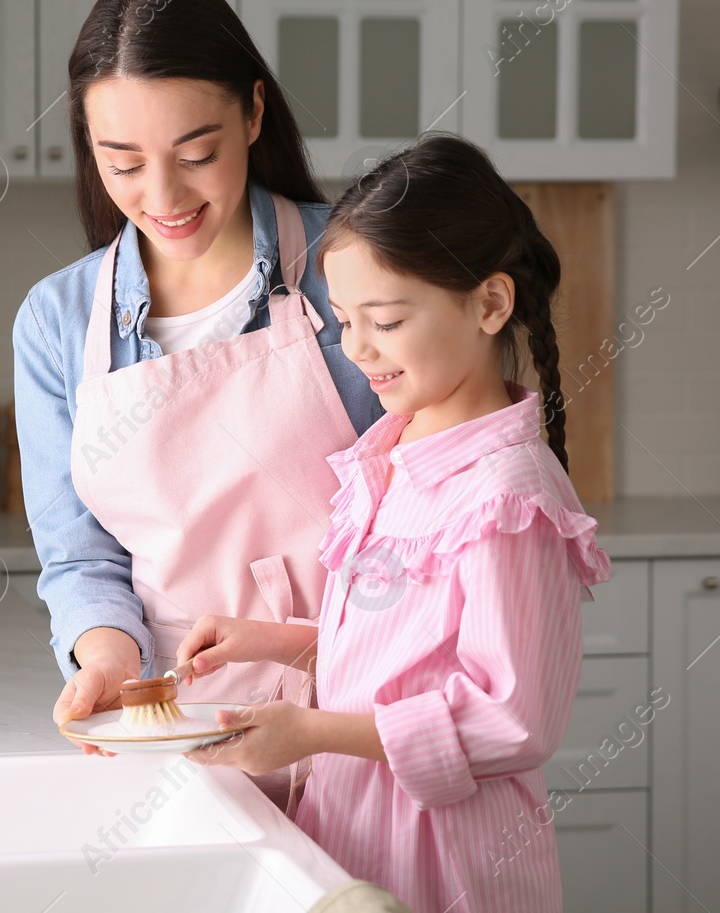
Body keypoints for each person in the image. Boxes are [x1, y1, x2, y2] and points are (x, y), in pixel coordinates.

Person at [176, 134, 611, 912]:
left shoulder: (504, 499)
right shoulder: (393, 457)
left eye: (384, 319)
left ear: (489, 303)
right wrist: (277, 641)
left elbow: (513, 719)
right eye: (343, 320)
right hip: (354, 831)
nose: (359, 348)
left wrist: (311, 732)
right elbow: (408, 648)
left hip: (448, 859)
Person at [11, 0, 383, 807]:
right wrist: (105, 657)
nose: (164, 198)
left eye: (196, 153)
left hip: (364, 706)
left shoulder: (353, 266)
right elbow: (80, 557)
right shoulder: (56, 322)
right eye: (125, 163)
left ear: (254, 113)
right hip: (182, 733)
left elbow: (434, 499)